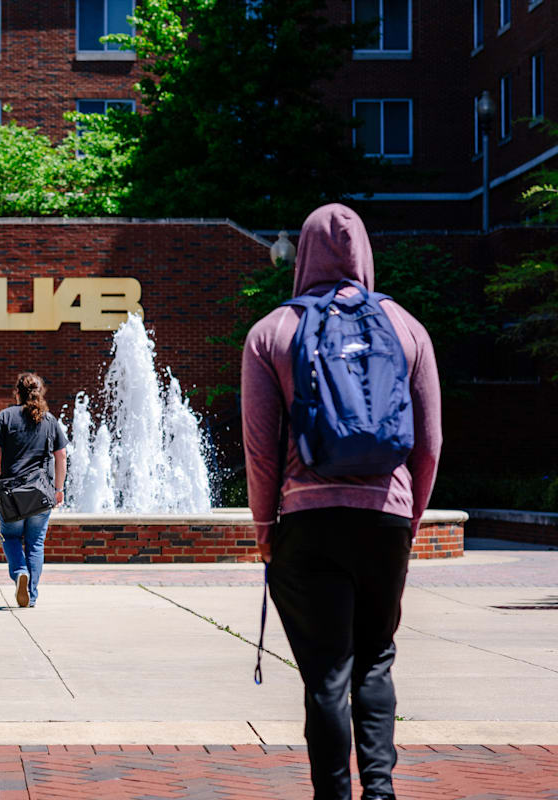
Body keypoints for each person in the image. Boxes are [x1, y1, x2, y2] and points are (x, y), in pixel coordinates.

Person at [242, 204, 442, 800]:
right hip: (384, 517)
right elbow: (429, 444)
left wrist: (262, 525)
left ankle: (332, 794)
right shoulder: (406, 328)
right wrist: (409, 517)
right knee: (375, 658)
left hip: (307, 520)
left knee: (327, 672)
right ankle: (379, 791)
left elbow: (259, 449)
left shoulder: (272, 331)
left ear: (302, 254)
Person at [0, 373, 67, 609]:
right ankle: (30, 595)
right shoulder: (50, 420)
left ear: (16, 393)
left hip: (12, 493)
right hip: (41, 494)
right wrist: (58, 488)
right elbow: (61, 456)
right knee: (35, 542)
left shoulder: (5, 417)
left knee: (10, 536)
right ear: (41, 392)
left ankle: (20, 571)